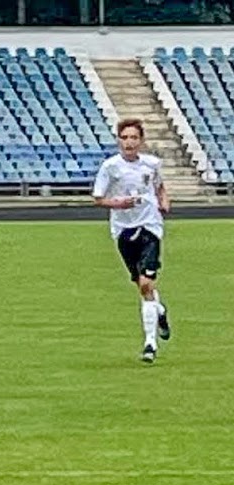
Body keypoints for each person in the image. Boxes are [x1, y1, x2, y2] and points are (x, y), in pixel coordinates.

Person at [92, 118, 171, 363]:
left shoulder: (151, 164)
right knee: (141, 285)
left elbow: (159, 186)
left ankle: (150, 344)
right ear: (118, 140)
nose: (129, 142)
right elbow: (98, 198)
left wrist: (164, 200)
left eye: (134, 138)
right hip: (123, 230)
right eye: (125, 138)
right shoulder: (110, 167)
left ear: (141, 140)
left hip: (149, 226)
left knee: (147, 284)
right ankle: (159, 310)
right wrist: (118, 203)